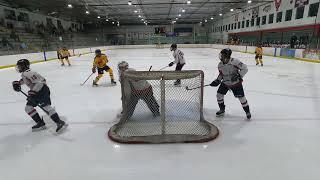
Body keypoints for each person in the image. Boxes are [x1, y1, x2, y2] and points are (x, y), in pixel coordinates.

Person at [12, 59, 68, 133]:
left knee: (46, 107)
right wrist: (18, 83)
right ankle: (40, 123)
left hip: (42, 90)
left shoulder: (29, 73)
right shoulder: (25, 73)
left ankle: (59, 122)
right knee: (28, 108)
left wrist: (33, 91)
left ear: (24, 66)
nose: (18, 68)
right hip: (36, 91)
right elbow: (26, 80)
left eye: (19, 66)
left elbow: (41, 82)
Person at [210, 48, 251, 119]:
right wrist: (217, 80)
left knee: (241, 98)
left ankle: (247, 111)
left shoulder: (235, 61)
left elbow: (245, 68)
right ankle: (222, 109)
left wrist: (238, 76)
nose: (221, 56)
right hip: (225, 83)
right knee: (219, 95)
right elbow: (221, 74)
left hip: (236, 83)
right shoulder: (220, 65)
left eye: (222, 55)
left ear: (226, 55)